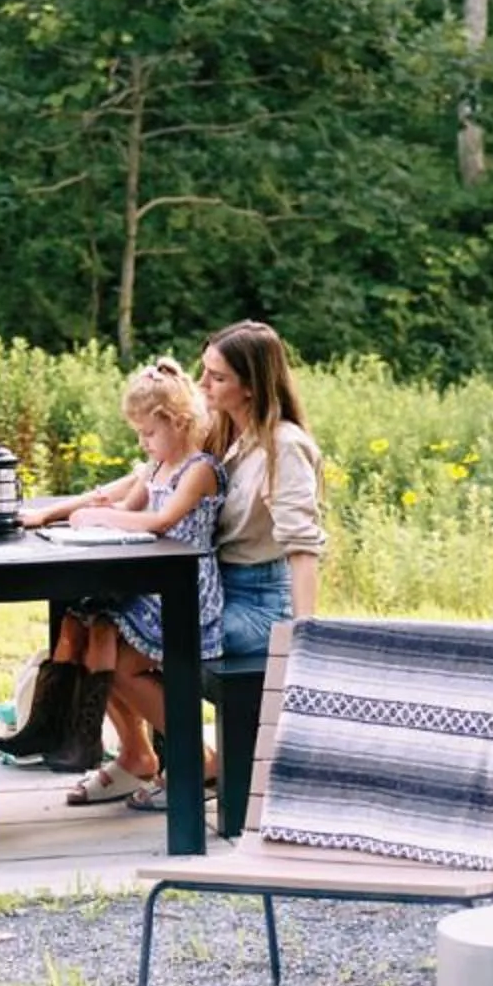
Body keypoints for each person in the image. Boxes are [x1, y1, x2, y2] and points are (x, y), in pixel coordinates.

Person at [0, 357, 223, 807]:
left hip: (186, 594)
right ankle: (60, 730)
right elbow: (125, 505)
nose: (143, 442)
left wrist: (101, 516)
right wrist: (79, 520)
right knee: (84, 624)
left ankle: (198, 755)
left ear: (178, 422)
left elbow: (158, 521)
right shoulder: (156, 468)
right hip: (152, 586)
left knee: (112, 655)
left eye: (149, 433)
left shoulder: (199, 469)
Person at [112, 319, 326, 793]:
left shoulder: (283, 447)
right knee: (103, 631)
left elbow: (303, 545)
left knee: (124, 653)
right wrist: (68, 510)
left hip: (260, 604)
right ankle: (149, 758)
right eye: (204, 371)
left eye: (218, 377)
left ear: (251, 386)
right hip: (217, 591)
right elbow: (153, 474)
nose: (203, 384)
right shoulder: (226, 433)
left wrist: (304, 636)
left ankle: (197, 763)